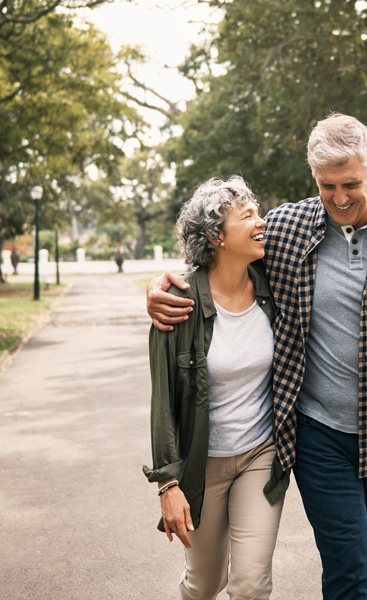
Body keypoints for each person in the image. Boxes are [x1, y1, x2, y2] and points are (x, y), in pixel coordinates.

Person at [147, 113, 367, 599]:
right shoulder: (285, 227)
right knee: (349, 564)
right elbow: (218, 257)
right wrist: (159, 286)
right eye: (327, 186)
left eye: (350, 184)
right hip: (315, 431)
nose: (339, 198)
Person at [143, 175, 289, 600]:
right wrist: (167, 485)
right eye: (248, 216)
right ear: (215, 236)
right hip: (200, 466)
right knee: (204, 585)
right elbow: (162, 402)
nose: (262, 223)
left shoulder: (273, 287)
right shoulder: (178, 303)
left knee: (250, 586)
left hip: (261, 457)